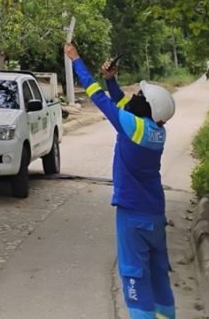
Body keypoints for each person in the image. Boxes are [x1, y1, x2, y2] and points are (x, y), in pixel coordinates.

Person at [64, 43, 176, 319]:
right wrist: (111, 79)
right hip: (154, 214)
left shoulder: (132, 126)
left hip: (132, 216)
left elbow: (98, 96)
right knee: (159, 274)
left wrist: (76, 60)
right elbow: (124, 105)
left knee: (134, 276)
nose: (135, 95)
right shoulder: (155, 131)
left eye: (139, 94)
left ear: (147, 106)